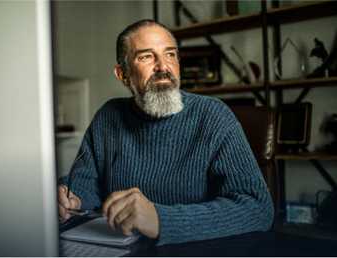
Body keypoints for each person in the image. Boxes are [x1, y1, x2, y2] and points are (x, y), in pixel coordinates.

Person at [58, 19, 274, 246]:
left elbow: (258, 208)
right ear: (122, 74)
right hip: (121, 249)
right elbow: (86, 183)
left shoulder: (213, 116)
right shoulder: (108, 116)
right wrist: (70, 198)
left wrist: (161, 220)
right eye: (146, 57)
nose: (163, 66)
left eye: (170, 54)